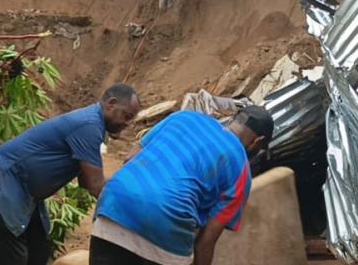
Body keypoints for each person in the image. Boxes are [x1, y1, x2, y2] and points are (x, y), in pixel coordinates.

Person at [0, 84, 141, 265]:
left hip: (24, 190)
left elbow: (85, 181)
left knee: (39, 249)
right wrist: (131, 212)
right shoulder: (89, 125)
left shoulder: (93, 125)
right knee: (13, 256)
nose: (127, 123)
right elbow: (95, 185)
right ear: (111, 104)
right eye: (127, 116)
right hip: (4, 181)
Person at [89, 105, 275, 265]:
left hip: (114, 203)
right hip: (166, 227)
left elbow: (131, 157)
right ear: (256, 142)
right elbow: (205, 242)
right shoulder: (241, 169)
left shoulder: (184, 116)